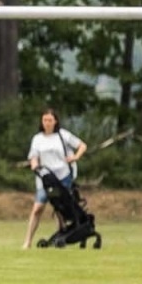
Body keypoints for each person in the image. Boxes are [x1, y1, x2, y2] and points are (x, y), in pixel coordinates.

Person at [23, 107, 87, 249]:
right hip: (45, 179)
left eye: (50, 120)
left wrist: (75, 157)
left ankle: (62, 236)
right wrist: (35, 166)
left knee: (60, 207)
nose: (47, 123)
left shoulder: (62, 135)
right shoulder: (37, 139)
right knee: (38, 208)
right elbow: (33, 157)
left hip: (62, 177)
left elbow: (82, 145)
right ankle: (27, 241)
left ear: (55, 121)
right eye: (45, 120)